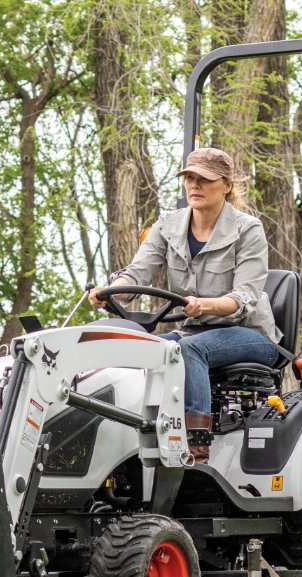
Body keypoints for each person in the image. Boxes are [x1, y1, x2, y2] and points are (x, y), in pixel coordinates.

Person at [89, 147, 281, 464]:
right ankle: (124, 442)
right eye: (189, 178)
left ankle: (196, 451)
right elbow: (137, 273)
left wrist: (204, 304)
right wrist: (110, 290)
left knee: (187, 351)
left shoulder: (248, 230)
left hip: (248, 333)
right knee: (137, 348)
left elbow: (243, 298)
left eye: (204, 179)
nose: (194, 185)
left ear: (227, 185)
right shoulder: (168, 225)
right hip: (193, 332)